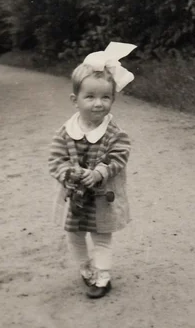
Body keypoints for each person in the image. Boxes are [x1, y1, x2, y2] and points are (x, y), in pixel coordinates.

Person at [49, 42, 136, 299]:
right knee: (74, 234)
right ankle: (85, 267)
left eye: (105, 97)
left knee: (101, 236)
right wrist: (68, 173)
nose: (98, 104)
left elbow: (119, 157)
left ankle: (103, 275)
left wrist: (99, 172)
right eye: (90, 97)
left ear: (113, 99)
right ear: (75, 100)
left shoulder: (115, 133)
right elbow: (55, 159)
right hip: (74, 196)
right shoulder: (66, 131)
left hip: (101, 197)